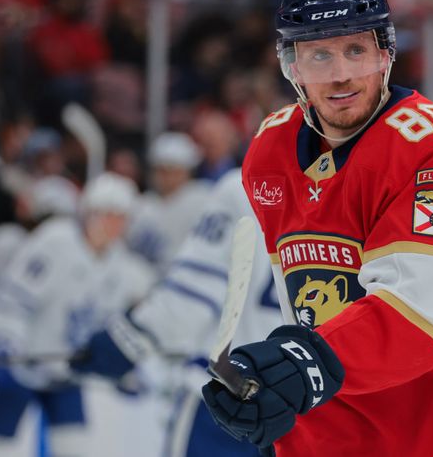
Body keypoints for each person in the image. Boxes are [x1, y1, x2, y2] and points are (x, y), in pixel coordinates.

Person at [201, 0, 433, 456]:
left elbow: (415, 318)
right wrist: (264, 383)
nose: (341, 75)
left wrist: (296, 365)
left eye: (356, 50)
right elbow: (303, 312)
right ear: (291, 65)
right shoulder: (268, 152)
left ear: (385, 54)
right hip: (334, 438)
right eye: (319, 55)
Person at [71, 168, 281, 457]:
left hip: (224, 400)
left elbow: (192, 295)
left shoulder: (246, 185)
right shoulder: (357, 190)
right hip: (308, 408)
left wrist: (128, 340)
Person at [0, 172, 155, 457]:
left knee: (75, 448)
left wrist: (125, 369)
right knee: (3, 446)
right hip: (22, 365)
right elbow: (14, 299)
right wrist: (7, 338)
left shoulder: (122, 265)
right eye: (106, 215)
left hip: (65, 373)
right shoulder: (56, 241)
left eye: (120, 217)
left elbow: (117, 325)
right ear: (88, 213)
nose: (112, 225)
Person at [126, 131, 211, 272]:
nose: (166, 177)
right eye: (160, 170)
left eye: (172, 170)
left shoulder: (201, 196)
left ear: (187, 171)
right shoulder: (142, 204)